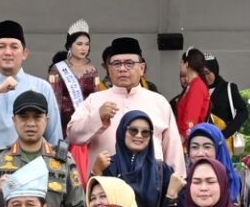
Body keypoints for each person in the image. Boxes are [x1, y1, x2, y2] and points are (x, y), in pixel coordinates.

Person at [67, 37, 182, 172]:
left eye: (129, 63)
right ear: (109, 69)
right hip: (105, 183)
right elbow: (72, 135)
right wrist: (97, 117)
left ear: (141, 68)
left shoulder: (159, 102)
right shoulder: (95, 100)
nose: (122, 69)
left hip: (151, 183)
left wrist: (177, 181)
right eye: (116, 64)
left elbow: (173, 152)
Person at [0, 21, 64, 152]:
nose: (8, 52)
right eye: (1, 46)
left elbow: (54, 137)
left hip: (31, 162)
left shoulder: (42, 87)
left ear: (25, 53)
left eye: (14, 47)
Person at [100, 111, 177, 207]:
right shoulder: (108, 165)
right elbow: (94, 203)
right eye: (133, 130)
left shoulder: (161, 170)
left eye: (145, 132)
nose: (139, 135)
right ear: (122, 131)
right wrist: (95, 172)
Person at [47, 20, 104, 142]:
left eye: (87, 44)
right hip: (64, 123)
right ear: (70, 45)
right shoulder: (58, 69)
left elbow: (97, 97)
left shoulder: (92, 70)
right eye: (79, 44)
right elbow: (53, 100)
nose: (84, 48)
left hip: (86, 123)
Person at [205, 56, 249, 144]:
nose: (205, 77)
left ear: (215, 70)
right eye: (201, 73)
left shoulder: (228, 88)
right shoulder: (196, 89)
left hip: (223, 142)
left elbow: (243, 112)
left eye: (207, 72)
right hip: (202, 139)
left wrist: (225, 134)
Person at [175, 47, 214, 136]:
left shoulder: (197, 86)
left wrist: (183, 138)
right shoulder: (193, 84)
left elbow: (190, 118)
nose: (180, 65)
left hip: (188, 138)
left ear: (186, 64)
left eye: (181, 62)